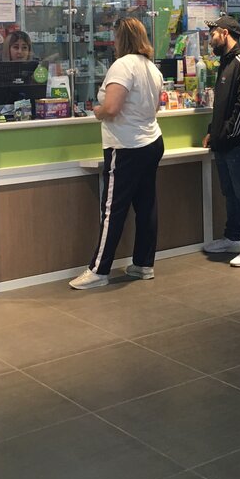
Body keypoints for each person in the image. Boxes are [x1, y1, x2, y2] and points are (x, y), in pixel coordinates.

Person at [70, 17, 165, 289]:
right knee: (146, 205)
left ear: (122, 38)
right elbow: (154, 108)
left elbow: (111, 108)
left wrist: (96, 111)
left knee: (112, 209)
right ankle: (143, 264)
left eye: (115, 37)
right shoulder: (152, 68)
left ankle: (99, 270)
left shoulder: (122, 66)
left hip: (125, 146)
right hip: (151, 141)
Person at [201, 14, 240, 267]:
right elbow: (221, 105)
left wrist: (229, 134)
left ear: (225, 33)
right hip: (223, 142)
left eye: (213, 34)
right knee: (230, 193)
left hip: (237, 143)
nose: (210, 39)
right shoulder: (225, 62)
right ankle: (233, 237)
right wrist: (213, 131)